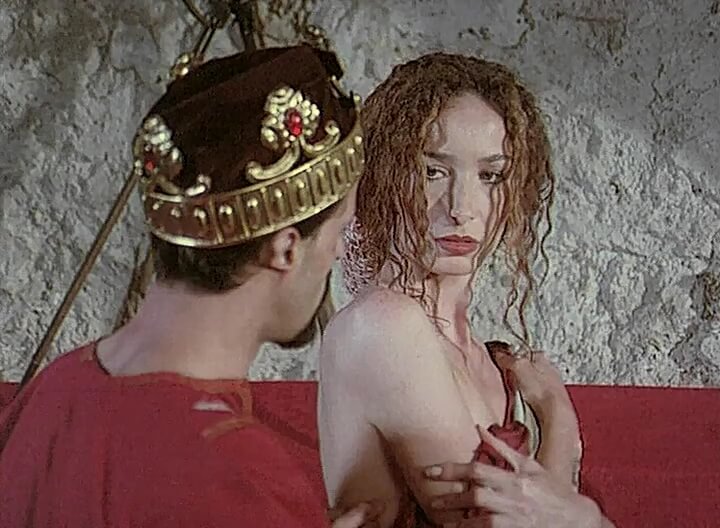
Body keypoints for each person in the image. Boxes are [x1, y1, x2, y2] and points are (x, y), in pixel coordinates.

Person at [0, 44, 379, 527]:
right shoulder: (237, 474)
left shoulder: (55, 389)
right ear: (286, 248)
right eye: (339, 230)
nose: (340, 251)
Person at [318, 52, 615, 527]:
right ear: (381, 176)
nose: (461, 207)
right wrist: (560, 421)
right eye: (432, 171)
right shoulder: (382, 326)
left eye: (490, 176)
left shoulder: (481, 354)